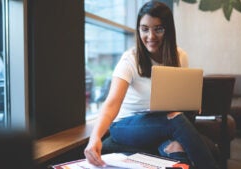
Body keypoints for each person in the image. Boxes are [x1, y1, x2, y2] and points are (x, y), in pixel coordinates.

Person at [84, 2, 219, 169]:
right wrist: (95, 137)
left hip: (161, 124)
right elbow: (111, 103)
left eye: (158, 29)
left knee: (177, 148)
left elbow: (179, 97)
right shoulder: (130, 60)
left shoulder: (180, 56)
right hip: (125, 126)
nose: (151, 36)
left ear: (168, 30)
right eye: (144, 29)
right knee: (174, 118)